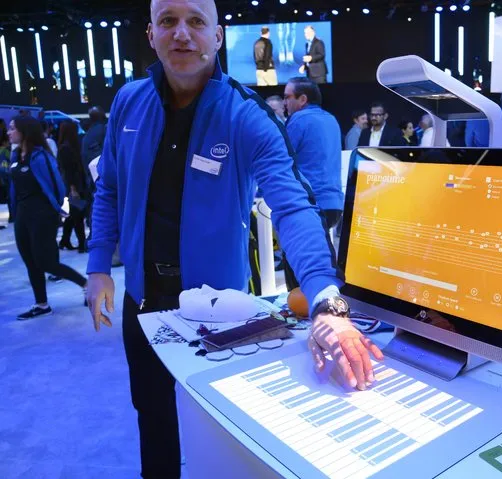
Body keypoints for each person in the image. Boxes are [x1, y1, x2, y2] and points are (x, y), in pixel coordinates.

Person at [86, 1, 383, 477]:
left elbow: (292, 206)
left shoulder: (246, 115)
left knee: (218, 423)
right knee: (152, 413)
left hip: (219, 309)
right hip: (141, 300)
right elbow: (110, 188)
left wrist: (328, 298)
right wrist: (99, 265)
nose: (182, 33)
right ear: (151, 34)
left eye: (196, 22)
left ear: (218, 36)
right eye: (168, 21)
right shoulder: (128, 101)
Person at [7, 116, 87, 320]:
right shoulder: (16, 155)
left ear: (24, 131)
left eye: (12, 128)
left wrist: (57, 209)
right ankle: (41, 304)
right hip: (22, 215)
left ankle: (86, 285)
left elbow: (57, 186)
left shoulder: (41, 156)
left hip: (43, 215)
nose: (9, 132)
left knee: (47, 262)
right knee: (30, 262)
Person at [283, 77, 343, 290]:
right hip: (334, 203)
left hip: (310, 204)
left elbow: (280, 157)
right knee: (324, 260)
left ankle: (305, 314)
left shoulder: (298, 120)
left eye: (287, 97)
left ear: (302, 99)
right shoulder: (332, 120)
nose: (284, 103)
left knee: (298, 262)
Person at [57, 120, 88, 252]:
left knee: (71, 215)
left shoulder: (66, 147)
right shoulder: (67, 148)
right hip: (73, 185)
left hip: (71, 184)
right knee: (77, 214)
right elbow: (69, 170)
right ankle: (81, 244)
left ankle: (65, 240)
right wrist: (73, 188)